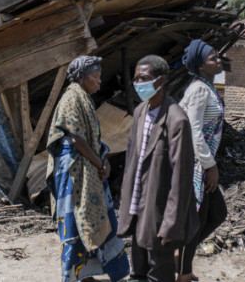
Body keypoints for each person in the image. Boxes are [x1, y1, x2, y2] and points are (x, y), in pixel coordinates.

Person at [46, 55, 130, 282]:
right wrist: (98, 162)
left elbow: (93, 140)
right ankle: (74, 275)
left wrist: (105, 161)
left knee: (94, 223)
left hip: (88, 170)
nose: (99, 82)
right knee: (75, 224)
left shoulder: (84, 99)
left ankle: (85, 274)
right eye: (95, 77)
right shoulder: (71, 98)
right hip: (74, 176)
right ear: (82, 77)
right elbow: (75, 139)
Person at [118, 55, 198, 282]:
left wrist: (170, 225)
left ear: (161, 81)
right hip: (138, 210)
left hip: (161, 216)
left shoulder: (176, 120)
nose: (137, 84)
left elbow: (181, 179)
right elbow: (132, 162)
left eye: (143, 79)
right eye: (135, 79)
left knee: (159, 274)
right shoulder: (140, 112)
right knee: (138, 273)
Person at [177, 40, 228, 282]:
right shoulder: (198, 89)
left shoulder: (208, 87)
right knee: (196, 221)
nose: (218, 61)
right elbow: (194, 131)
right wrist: (210, 166)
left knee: (217, 213)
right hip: (195, 165)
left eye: (218, 56)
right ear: (199, 66)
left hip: (201, 162)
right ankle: (184, 274)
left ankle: (180, 257)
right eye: (212, 58)